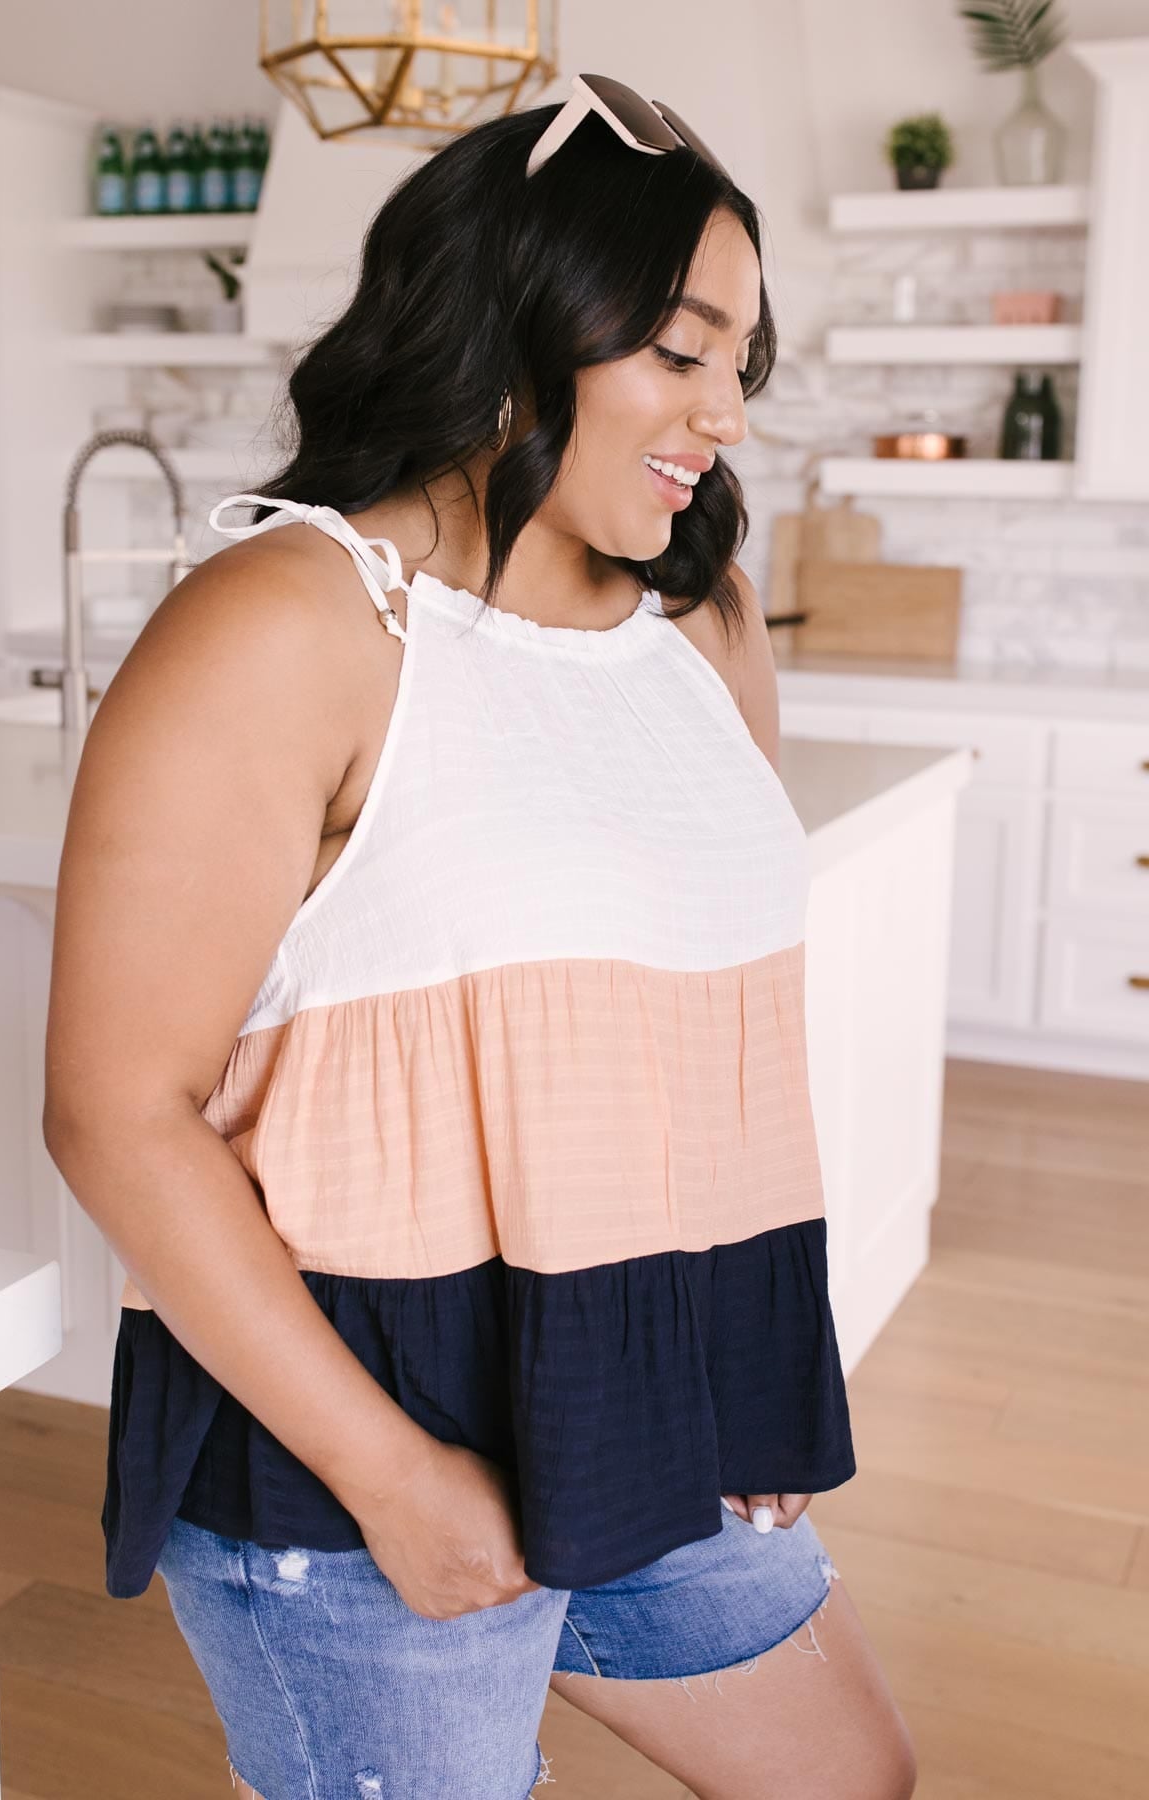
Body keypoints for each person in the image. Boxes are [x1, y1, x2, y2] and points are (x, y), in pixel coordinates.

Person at [44, 74, 916, 1800]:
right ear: (517, 318)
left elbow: (698, 1024)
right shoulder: (287, 623)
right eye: (679, 349)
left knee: (849, 1777)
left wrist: (742, 1366)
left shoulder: (703, 620)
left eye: (742, 362)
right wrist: (390, 1476)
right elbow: (116, 1114)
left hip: (644, 1398)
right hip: (363, 1445)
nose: (727, 413)